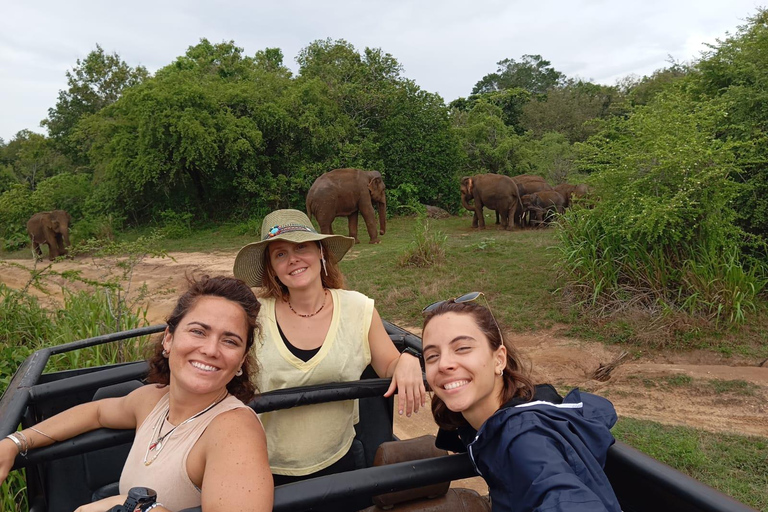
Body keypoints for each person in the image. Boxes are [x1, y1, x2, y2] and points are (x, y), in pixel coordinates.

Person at [0, 276, 273, 512]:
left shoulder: (233, 431)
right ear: (169, 338)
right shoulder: (153, 400)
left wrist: (138, 505)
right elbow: (95, 413)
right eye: (198, 331)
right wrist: (16, 442)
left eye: (230, 340)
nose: (211, 349)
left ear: (240, 360)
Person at [233, 209, 424, 485]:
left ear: (321, 252)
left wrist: (406, 360)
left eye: (302, 247)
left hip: (341, 459)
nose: (293, 259)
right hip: (267, 467)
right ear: (271, 268)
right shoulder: (253, 316)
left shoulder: (358, 308)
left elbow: (389, 364)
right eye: (280, 254)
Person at [421, 292, 622, 512]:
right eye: (432, 356)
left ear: (499, 359)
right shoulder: (498, 420)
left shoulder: (522, 438)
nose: (444, 364)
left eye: (462, 348)